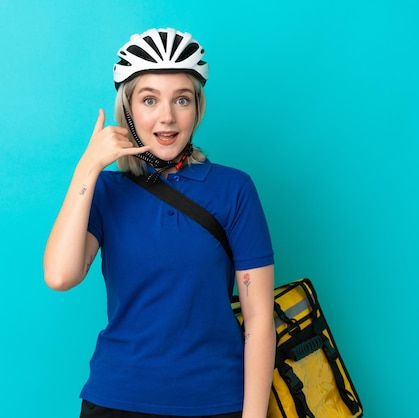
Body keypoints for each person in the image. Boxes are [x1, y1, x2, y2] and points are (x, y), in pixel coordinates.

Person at [43, 28, 275, 418]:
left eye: (181, 99)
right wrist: (87, 169)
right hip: (116, 400)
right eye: (149, 99)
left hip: (217, 402)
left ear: (197, 107)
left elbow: (259, 320)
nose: (166, 117)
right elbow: (60, 276)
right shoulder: (105, 191)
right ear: (128, 110)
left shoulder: (234, 189)